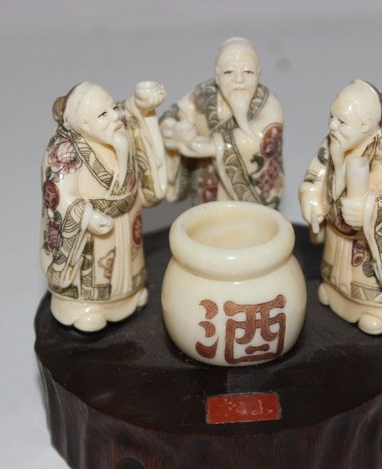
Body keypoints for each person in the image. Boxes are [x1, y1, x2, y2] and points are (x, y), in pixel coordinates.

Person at [39, 81, 167, 331]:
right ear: (85, 124)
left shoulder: (119, 126)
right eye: (103, 114)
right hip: (92, 231)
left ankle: (129, 297)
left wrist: (142, 106)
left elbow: (131, 112)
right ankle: (83, 308)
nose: (115, 116)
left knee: (128, 264)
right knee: (96, 270)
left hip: (126, 218)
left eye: (113, 108)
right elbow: (56, 193)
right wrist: (86, 216)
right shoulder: (63, 150)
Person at [299, 80, 382, 335]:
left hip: (365, 242)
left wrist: (367, 210)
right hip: (337, 234)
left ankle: (379, 311)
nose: (332, 125)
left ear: (365, 125)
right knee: (334, 276)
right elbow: (317, 173)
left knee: (365, 277)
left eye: (341, 121)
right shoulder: (335, 139)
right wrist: (312, 199)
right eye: (332, 117)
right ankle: (336, 294)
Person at [160, 37, 284, 208]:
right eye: (229, 72)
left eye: (248, 72)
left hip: (252, 190)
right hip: (207, 181)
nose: (239, 79)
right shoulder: (204, 94)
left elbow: (262, 140)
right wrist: (173, 129)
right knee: (205, 219)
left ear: (259, 73)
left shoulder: (269, 103)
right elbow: (177, 112)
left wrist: (214, 147)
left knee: (250, 222)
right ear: (217, 76)